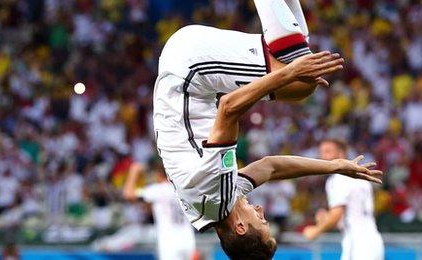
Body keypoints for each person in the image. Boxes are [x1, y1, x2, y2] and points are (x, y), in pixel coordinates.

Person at [153, 2, 383, 259]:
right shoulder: (214, 208)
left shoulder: (214, 192)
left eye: (261, 222)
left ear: (240, 228)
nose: (262, 211)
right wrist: (335, 166)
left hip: (190, 68)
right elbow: (271, 167)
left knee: (298, 77)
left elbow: (229, 107)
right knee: (299, 73)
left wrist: (289, 73)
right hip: (189, 73)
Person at [302, 139, 385, 260]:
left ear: (341, 154)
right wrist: (327, 216)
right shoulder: (360, 176)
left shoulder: (338, 178)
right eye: (321, 152)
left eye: (328, 152)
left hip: (357, 244)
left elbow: (337, 214)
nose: (323, 157)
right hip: (373, 240)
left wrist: (315, 230)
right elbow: (352, 214)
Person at [122, 160, 196, 260]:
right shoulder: (182, 189)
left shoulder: (158, 190)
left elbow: (128, 195)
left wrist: (133, 172)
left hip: (170, 242)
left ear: (159, 174)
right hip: (188, 239)